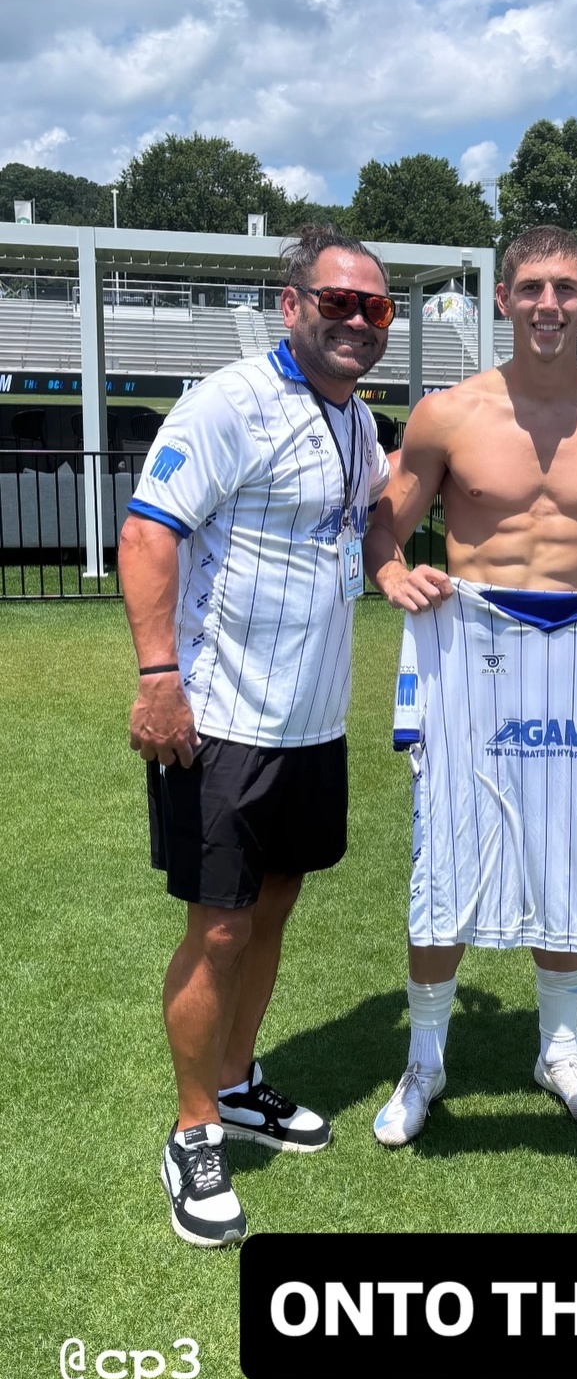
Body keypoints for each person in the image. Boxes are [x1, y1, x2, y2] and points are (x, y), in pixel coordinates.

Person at [363, 225, 577, 1147]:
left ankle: (560, 1049)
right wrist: (391, 575)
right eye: (534, 287)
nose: (551, 304)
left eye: (567, 288)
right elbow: (384, 527)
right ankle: (425, 1060)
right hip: (473, 669)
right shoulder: (447, 415)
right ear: (503, 298)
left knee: (570, 853)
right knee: (446, 856)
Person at [118, 225, 393, 1246]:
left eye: (374, 306)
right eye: (337, 301)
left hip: (313, 722)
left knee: (274, 905)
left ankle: (234, 1080)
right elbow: (147, 531)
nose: (356, 320)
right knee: (221, 927)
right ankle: (193, 1129)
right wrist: (159, 678)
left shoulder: (357, 418)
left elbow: (372, 516)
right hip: (222, 719)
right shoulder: (228, 403)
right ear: (292, 305)